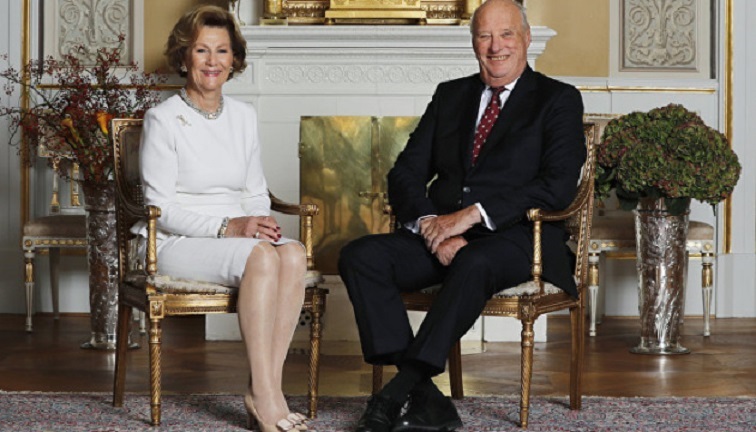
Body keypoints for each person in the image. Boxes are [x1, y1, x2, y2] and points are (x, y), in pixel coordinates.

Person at [338, 0, 586, 431]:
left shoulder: (558, 99)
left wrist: (470, 217)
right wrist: (430, 225)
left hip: (520, 239)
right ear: (473, 42)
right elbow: (405, 173)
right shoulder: (450, 95)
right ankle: (427, 397)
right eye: (484, 35)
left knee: (475, 260)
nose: (495, 46)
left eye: (506, 34)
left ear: (526, 38)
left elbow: (557, 186)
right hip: (442, 234)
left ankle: (395, 392)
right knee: (360, 256)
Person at [136, 6, 308, 432]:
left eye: (222, 51)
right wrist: (229, 228)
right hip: (175, 241)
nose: (212, 61)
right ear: (184, 56)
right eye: (201, 50)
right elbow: (160, 207)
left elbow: (254, 190)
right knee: (262, 257)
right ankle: (266, 396)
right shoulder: (162, 120)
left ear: (234, 59)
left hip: (236, 235)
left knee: (293, 254)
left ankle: (264, 388)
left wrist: (260, 222)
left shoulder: (244, 116)